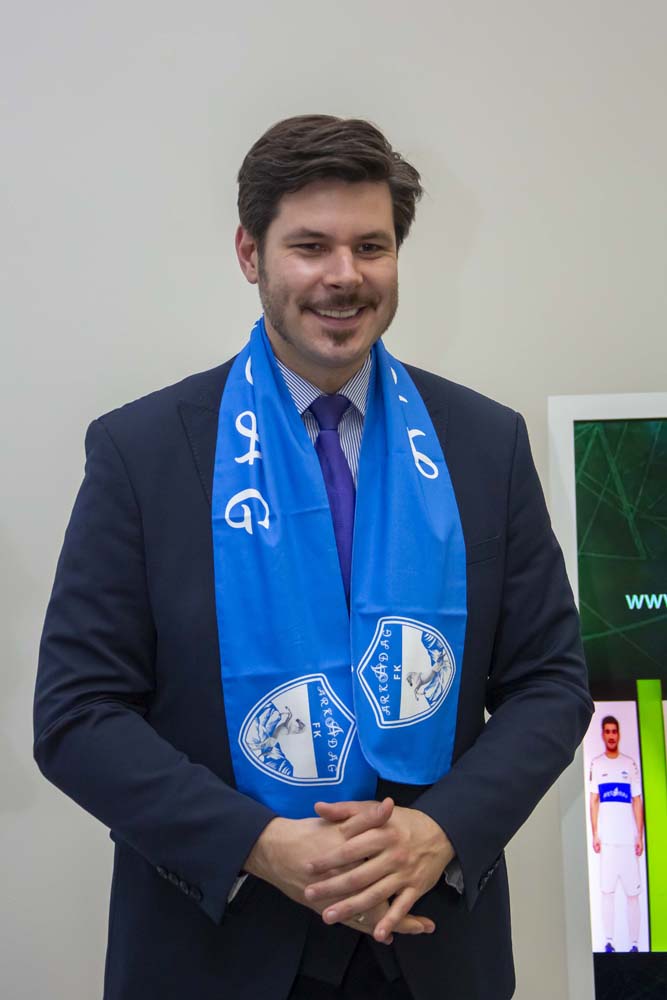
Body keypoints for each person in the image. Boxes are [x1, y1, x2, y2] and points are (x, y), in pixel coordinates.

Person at [34, 115, 593, 1000]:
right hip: (216, 954)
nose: (344, 276)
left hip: (433, 949)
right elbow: (78, 714)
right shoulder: (142, 453)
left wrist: (439, 832)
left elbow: (549, 683)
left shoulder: (485, 443)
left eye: (371, 246)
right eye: (310, 246)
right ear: (249, 255)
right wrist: (259, 845)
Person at [589, 715, 644, 953]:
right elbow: (593, 801)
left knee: (633, 894)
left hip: (627, 840)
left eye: (614, 731)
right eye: (607, 731)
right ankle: (609, 942)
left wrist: (639, 835)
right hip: (608, 842)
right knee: (607, 892)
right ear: (603, 734)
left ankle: (634, 944)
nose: (611, 735)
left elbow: (637, 801)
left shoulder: (629, 764)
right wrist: (595, 834)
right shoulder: (597, 764)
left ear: (618, 734)